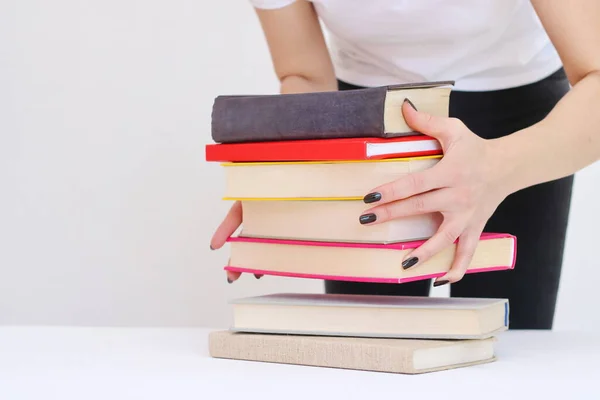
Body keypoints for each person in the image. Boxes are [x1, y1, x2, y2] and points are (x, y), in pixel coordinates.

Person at [210, 0, 600, 329]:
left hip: (518, 115)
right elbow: (305, 74)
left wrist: (497, 168)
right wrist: (288, 171)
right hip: (364, 116)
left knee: (511, 339)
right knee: (370, 345)